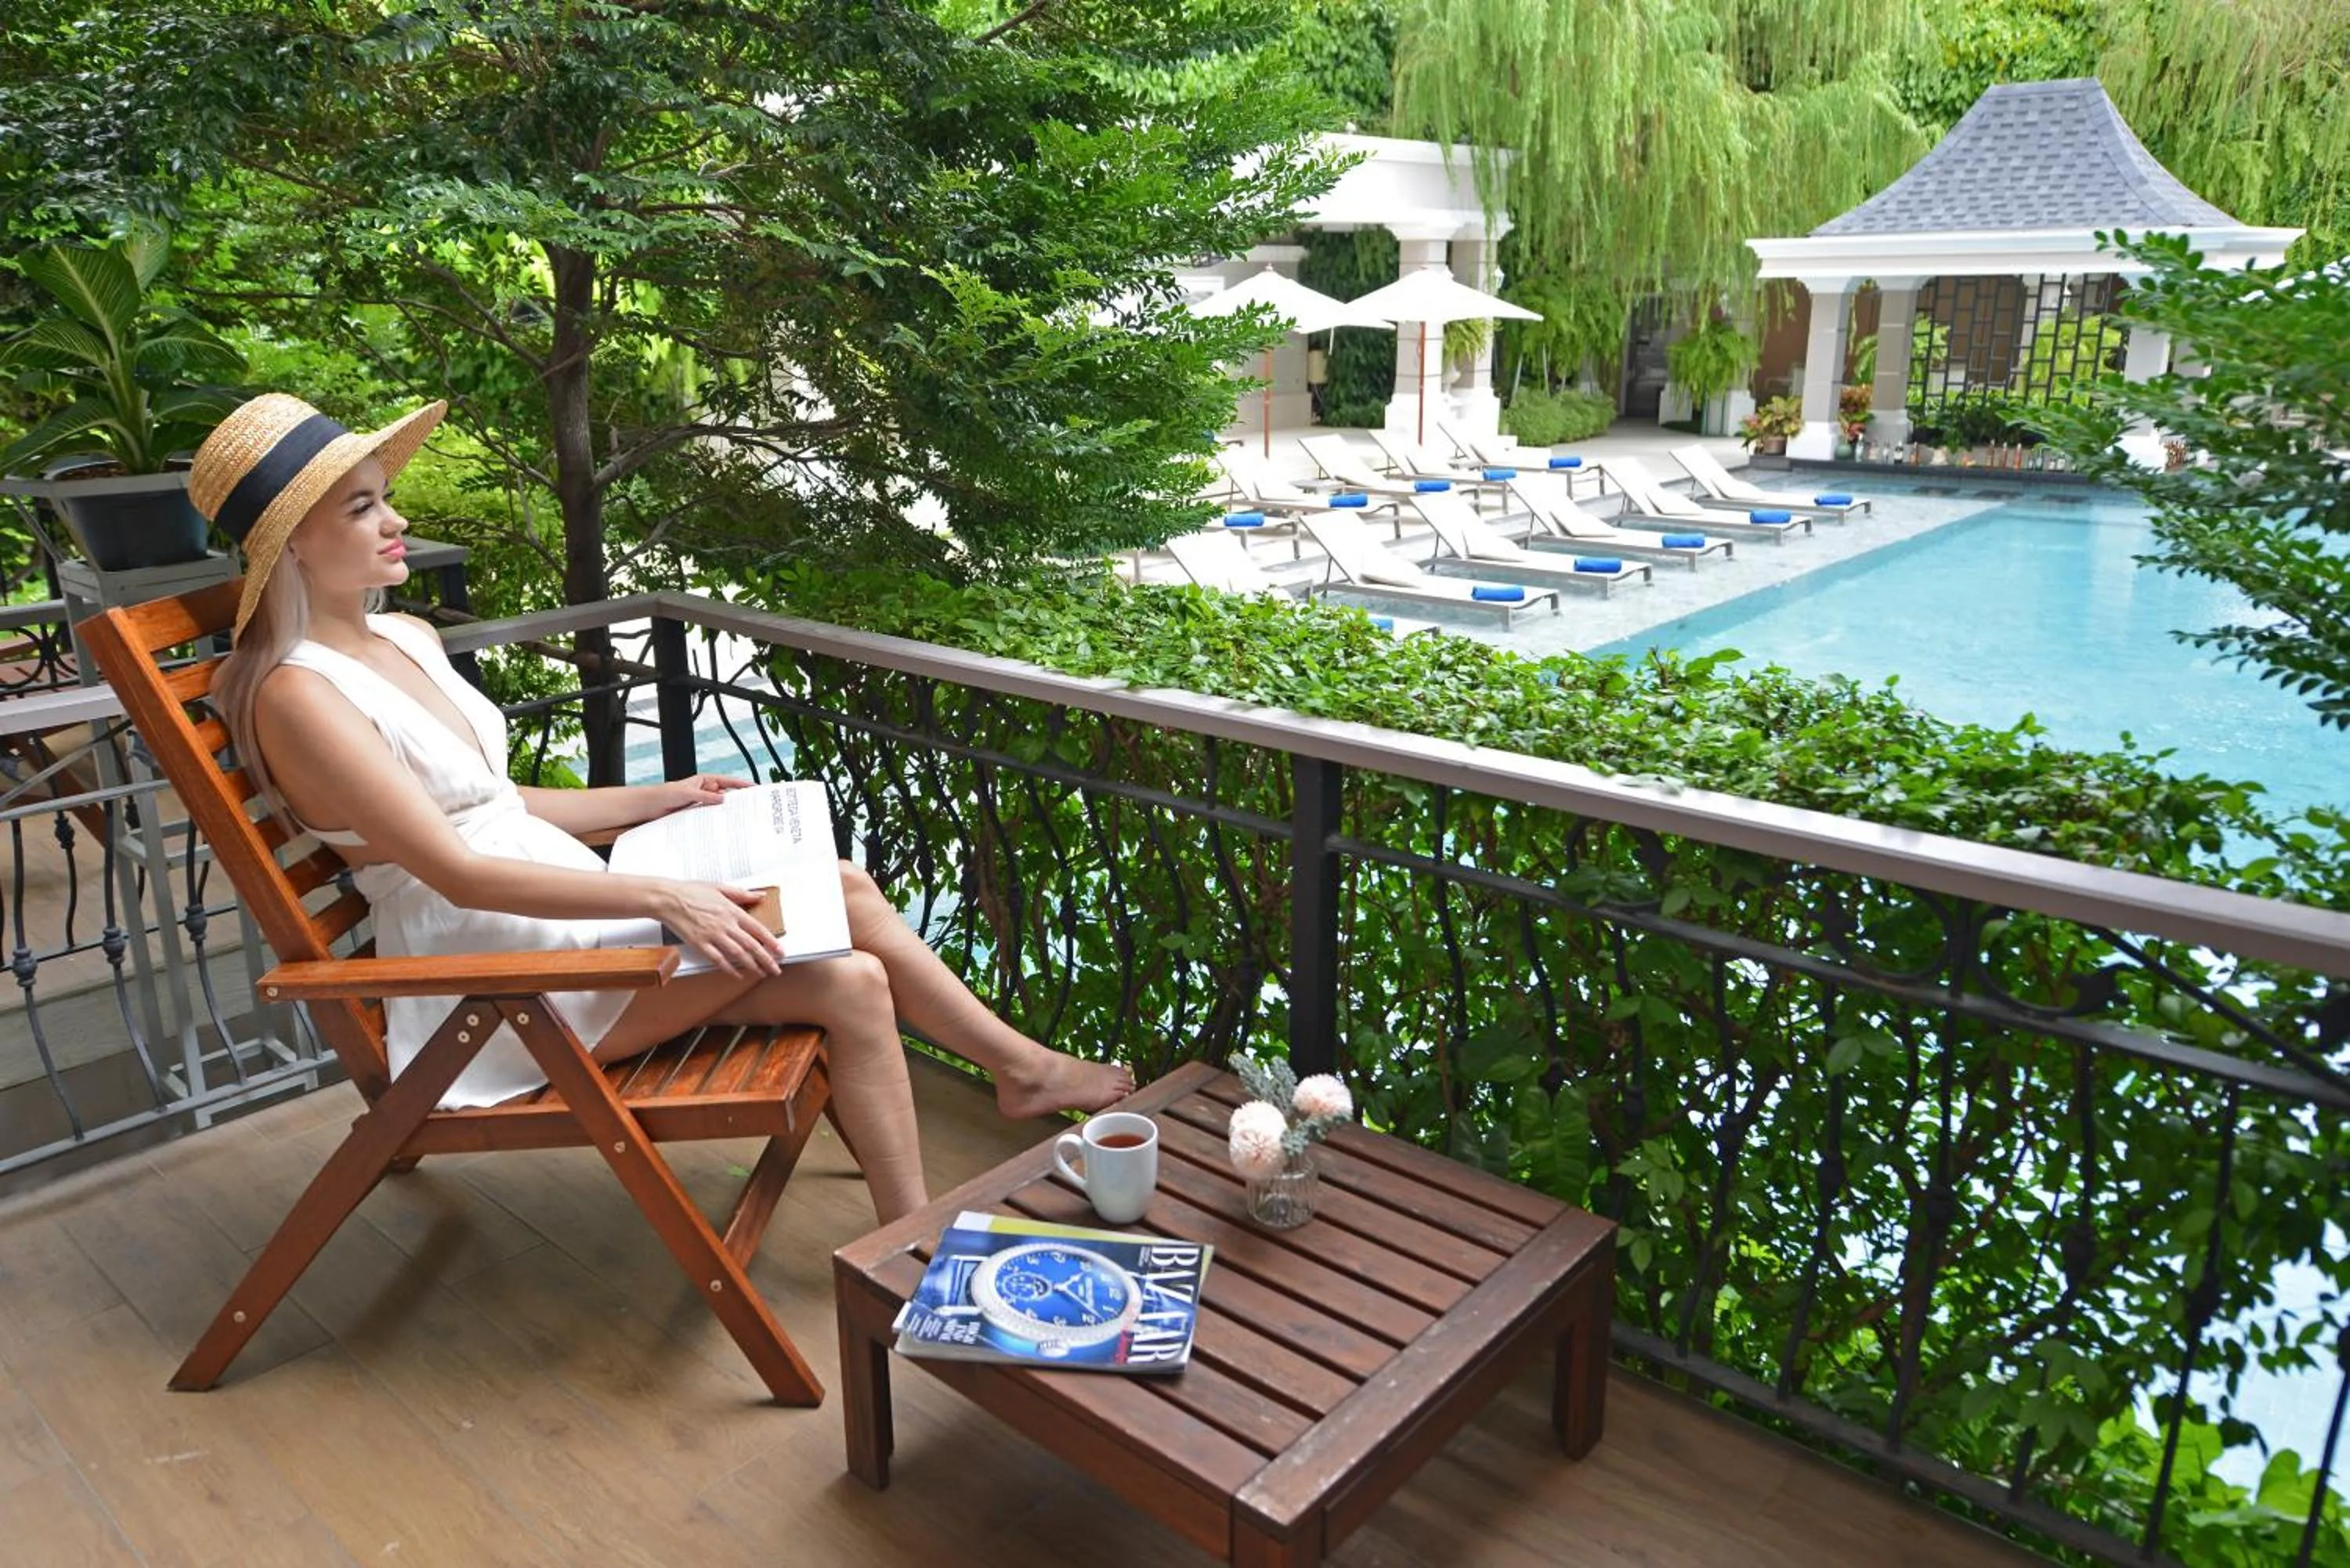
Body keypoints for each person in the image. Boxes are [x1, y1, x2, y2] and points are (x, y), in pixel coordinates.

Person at [191, 393, 1132, 1225]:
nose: (396, 520)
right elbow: (458, 868)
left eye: (385, 495)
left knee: (850, 967)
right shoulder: (299, 695)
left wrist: (665, 796)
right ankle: (1021, 1075)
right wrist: (667, 896)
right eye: (362, 507)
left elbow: (495, 804)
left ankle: (915, 1233)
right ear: (290, 544)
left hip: (564, 920)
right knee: (839, 904)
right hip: (499, 981)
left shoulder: (404, 633)